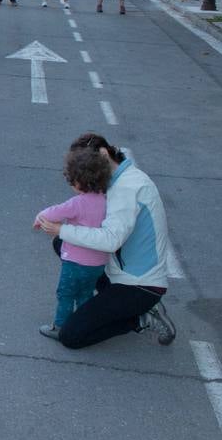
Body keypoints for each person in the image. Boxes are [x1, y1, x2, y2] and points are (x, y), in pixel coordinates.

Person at [35, 133, 177, 349]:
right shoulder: (119, 179)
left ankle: (140, 318)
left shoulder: (127, 188)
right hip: (119, 269)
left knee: (71, 336)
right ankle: (107, 305)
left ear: (103, 153)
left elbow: (110, 240)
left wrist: (62, 229)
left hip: (139, 286)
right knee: (63, 246)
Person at [33, 147, 112, 340]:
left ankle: (60, 326)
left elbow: (53, 213)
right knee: (85, 293)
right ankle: (83, 322)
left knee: (66, 294)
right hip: (98, 263)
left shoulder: (77, 203)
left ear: (77, 182)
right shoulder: (107, 200)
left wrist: (39, 217)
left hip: (75, 262)